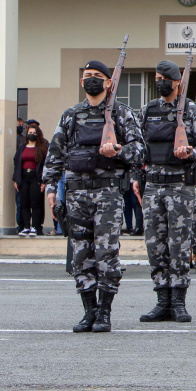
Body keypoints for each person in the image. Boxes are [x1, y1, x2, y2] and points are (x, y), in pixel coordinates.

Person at [43, 60, 146, 333]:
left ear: (108, 82)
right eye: (87, 76)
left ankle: (104, 312)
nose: (91, 80)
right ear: (81, 82)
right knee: (80, 255)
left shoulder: (122, 114)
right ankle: (88, 311)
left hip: (107, 193)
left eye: (97, 76)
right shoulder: (71, 115)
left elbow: (140, 151)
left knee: (106, 253)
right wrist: (52, 190)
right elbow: (55, 156)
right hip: (77, 194)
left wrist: (118, 150)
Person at [135, 61, 196, 324]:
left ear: (177, 81)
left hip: (180, 185)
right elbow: (138, 147)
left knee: (179, 245)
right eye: (156, 77)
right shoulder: (148, 110)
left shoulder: (192, 110)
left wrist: (192, 152)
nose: (160, 82)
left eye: (164, 78)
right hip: (153, 185)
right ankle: (162, 301)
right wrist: (137, 177)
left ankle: (179, 301)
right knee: (155, 246)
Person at [13, 121, 49, 237]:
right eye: (30, 132)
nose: (31, 134)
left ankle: (35, 227)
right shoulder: (22, 147)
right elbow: (16, 162)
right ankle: (26, 227)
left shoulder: (41, 148)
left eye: (34, 132)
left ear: (37, 134)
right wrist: (15, 179)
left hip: (36, 177)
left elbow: (45, 164)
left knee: (36, 203)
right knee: (24, 203)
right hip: (23, 177)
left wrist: (44, 181)